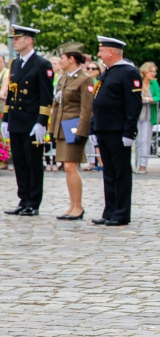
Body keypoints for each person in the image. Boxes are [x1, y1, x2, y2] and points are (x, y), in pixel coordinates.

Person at [89, 36, 143, 226]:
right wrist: (94, 127)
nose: (98, 54)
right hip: (104, 129)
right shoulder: (108, 72)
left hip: (118, 130)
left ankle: (121, 213)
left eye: (101, 51)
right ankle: (109, 210)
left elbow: (134, 105)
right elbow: (98, 100)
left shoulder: (128, 73)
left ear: (111, 52)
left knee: (121, 172)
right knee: (109, 172)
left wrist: (129, 132)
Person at [2, 25, 53, 216]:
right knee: (20, 162)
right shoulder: (15, 64)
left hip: (32, 121)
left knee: (33, 162)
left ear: (29, 40)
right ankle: (23, 199)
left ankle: (33, 202)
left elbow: (46, 96)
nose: (14, 42)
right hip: (16, 119)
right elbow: (11, 93)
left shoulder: (42, 64)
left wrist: (41, 122)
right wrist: (6, 118)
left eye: (17, 38)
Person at [49, 43, 94, 219]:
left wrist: (81, 132)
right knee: (67, 167)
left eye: (63, 58)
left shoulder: (85, 79)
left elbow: (86, 109)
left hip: (74, 126)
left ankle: (78, 207)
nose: (60, 61)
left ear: (72, 59)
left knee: (70, 166)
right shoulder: (63, 78)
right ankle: (72, 205)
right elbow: (57, 104)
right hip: (62, 125)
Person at [135, 62, 160, 173]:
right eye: (151, 71)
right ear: (145, 71)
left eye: (154, 72)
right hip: (136, 114)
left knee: (145, 140)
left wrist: (147, 99)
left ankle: (143, 165)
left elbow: (158, 97)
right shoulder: (137, 81)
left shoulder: (154, 84)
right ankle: (136, 163)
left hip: (148, 114)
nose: (153, 73)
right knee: (136, 140)